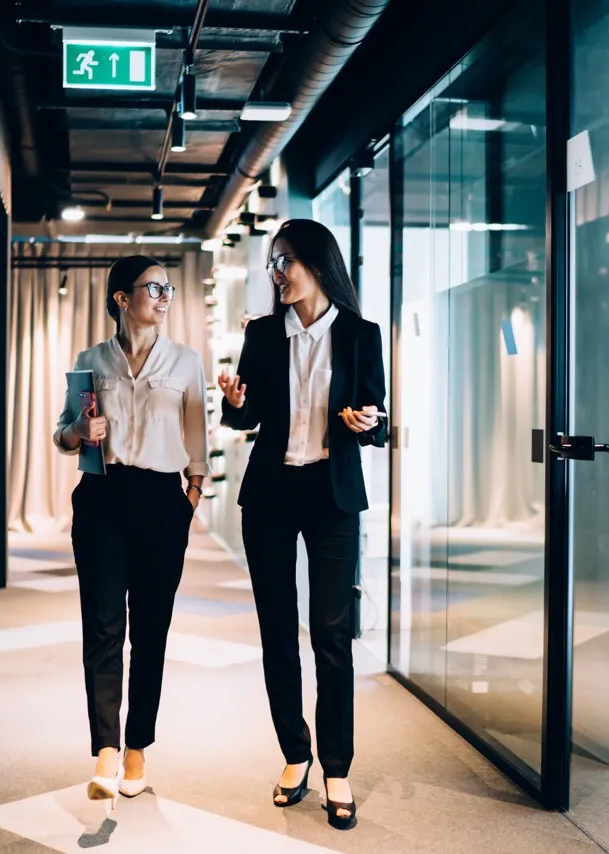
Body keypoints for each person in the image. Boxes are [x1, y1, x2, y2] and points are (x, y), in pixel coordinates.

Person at [217, 219, 387, 830]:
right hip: (271, 491)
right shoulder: (263, 334)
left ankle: (336, 766)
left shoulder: (363, 336)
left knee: (332, 634)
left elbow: (380, 418)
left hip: (332, 492)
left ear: (317, 262)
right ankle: (296, 753)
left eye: (285, 260)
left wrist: (369, 422)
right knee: (275, 629)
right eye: (272, 264)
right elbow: (248, 416)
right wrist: (236, 404)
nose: (277, 273)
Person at [53, 255, 208, 800]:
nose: (164, 296)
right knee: (101, 627)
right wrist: (79, 427)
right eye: (153, 287)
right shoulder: (91, 360)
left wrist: (190, 498)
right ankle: (105, 751)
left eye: (168, 288)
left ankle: (138, 746)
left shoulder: (187, 362)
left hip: (163, 502)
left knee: (150, 630)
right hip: (102, 497)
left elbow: (197, 439)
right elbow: (62, 436)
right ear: (122, 297)